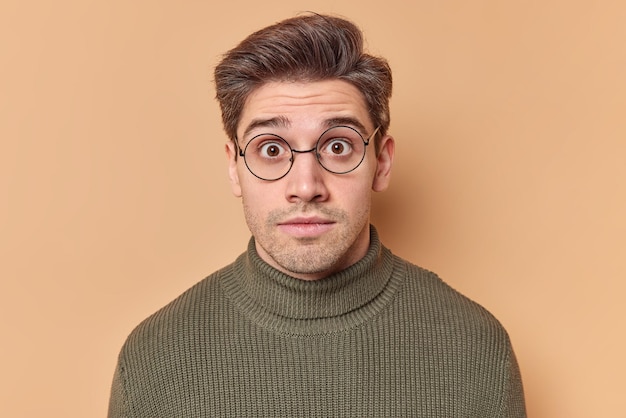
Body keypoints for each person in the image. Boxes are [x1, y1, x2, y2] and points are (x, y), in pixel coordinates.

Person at [108, 13, 526, 417]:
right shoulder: (153, 358)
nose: (306, 186)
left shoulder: (476, 349)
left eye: (338, 146)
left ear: (381, 162)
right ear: (234, 168)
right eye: (271, 149)